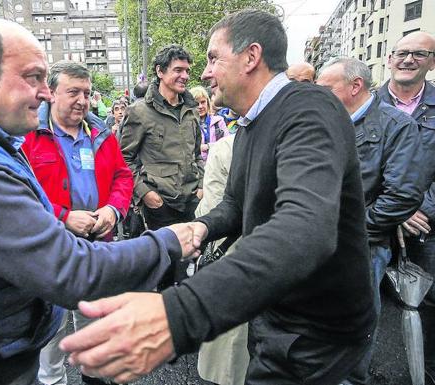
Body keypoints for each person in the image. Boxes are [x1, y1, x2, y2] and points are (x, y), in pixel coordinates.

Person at [60, 10, 376, 385]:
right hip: (276, 314)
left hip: (317, 332)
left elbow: (304, 228)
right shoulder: (248, 124)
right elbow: (238, 205)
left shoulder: (308, 108)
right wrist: (201, 227)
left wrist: (176, 316)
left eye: (213, 58)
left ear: (251, 56)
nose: (204, 73)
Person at [0, 18, 195, 385]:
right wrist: (170, 241)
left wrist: (112, 208)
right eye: (33, 77)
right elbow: (70, 269)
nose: (46, 93)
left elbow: (118, 176)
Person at [21, 60, 133, 385]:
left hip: (96, 249)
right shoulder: (29, 137)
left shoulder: (100, 133)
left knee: (95, 333)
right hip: (49, 253)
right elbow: (20, 192)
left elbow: (123, 176)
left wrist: (113, 210)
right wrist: (64, 217)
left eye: (86, 92)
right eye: (73, 92)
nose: (82, 100)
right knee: (50, 344)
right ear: (51, 94)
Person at [317, 57, 423, 385]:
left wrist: (355, 229)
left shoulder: (396, 126)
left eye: (326, 89)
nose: (318, 96)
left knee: (355, 323)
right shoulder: (327, 119)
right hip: (320, 240)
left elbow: (403, 195)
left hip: (364, 245)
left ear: (355, 86)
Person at [120, 44, 204, 289]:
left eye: (187, 71)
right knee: (165, 275)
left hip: (191, 201)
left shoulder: (191, 111)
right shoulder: (139, 112)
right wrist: (145, 193)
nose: (185, 76)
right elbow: (124, 159)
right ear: (160, 72)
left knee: (192, 270)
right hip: (160, 206)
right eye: (178, 70)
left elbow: (197, 153)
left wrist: (201, 184)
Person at [377, 31, 435, 384]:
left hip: (427, 225)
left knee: (429, 304)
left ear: (431, 61)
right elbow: (359, 165)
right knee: (372, 303)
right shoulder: (367, 104)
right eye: (401, 52)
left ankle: (424, 372)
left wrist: (420, 208)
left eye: (419, 53)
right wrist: (396, 209)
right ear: (389, 58)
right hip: (380, 221)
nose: (407, 59)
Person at [193, 131, 248, 385]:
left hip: (230, 256)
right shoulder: (298, 140)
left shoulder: (225, 147)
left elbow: (211, 208)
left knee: (228, 350)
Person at [190, 86, 226, 161]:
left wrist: (207, 146)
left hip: (217, 164)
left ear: (208, 102)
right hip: (197, 167)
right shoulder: (187, 124)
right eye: (196, 103)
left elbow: (227, 144)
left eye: (203, 102)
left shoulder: (219, 121)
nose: (200, 106)